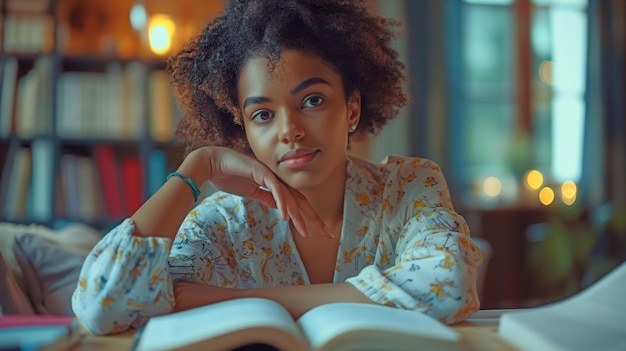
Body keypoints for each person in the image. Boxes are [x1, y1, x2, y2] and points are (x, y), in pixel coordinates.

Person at [72, 0, 483, 335]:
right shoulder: (222, 224)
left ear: (352, 107)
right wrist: (198, 166)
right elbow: (102, 306)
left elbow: (451, 285)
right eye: (263, 115)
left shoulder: (410, 186)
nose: (290, 132)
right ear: (244, 129)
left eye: (313, 101)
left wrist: (244, 300)